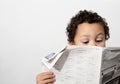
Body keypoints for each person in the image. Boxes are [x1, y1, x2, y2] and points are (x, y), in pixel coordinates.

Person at [36, 10, 110, 84]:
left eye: (99, 40)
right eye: (85, 41)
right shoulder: (62, 68)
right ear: (72, 44)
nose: (93, 45)